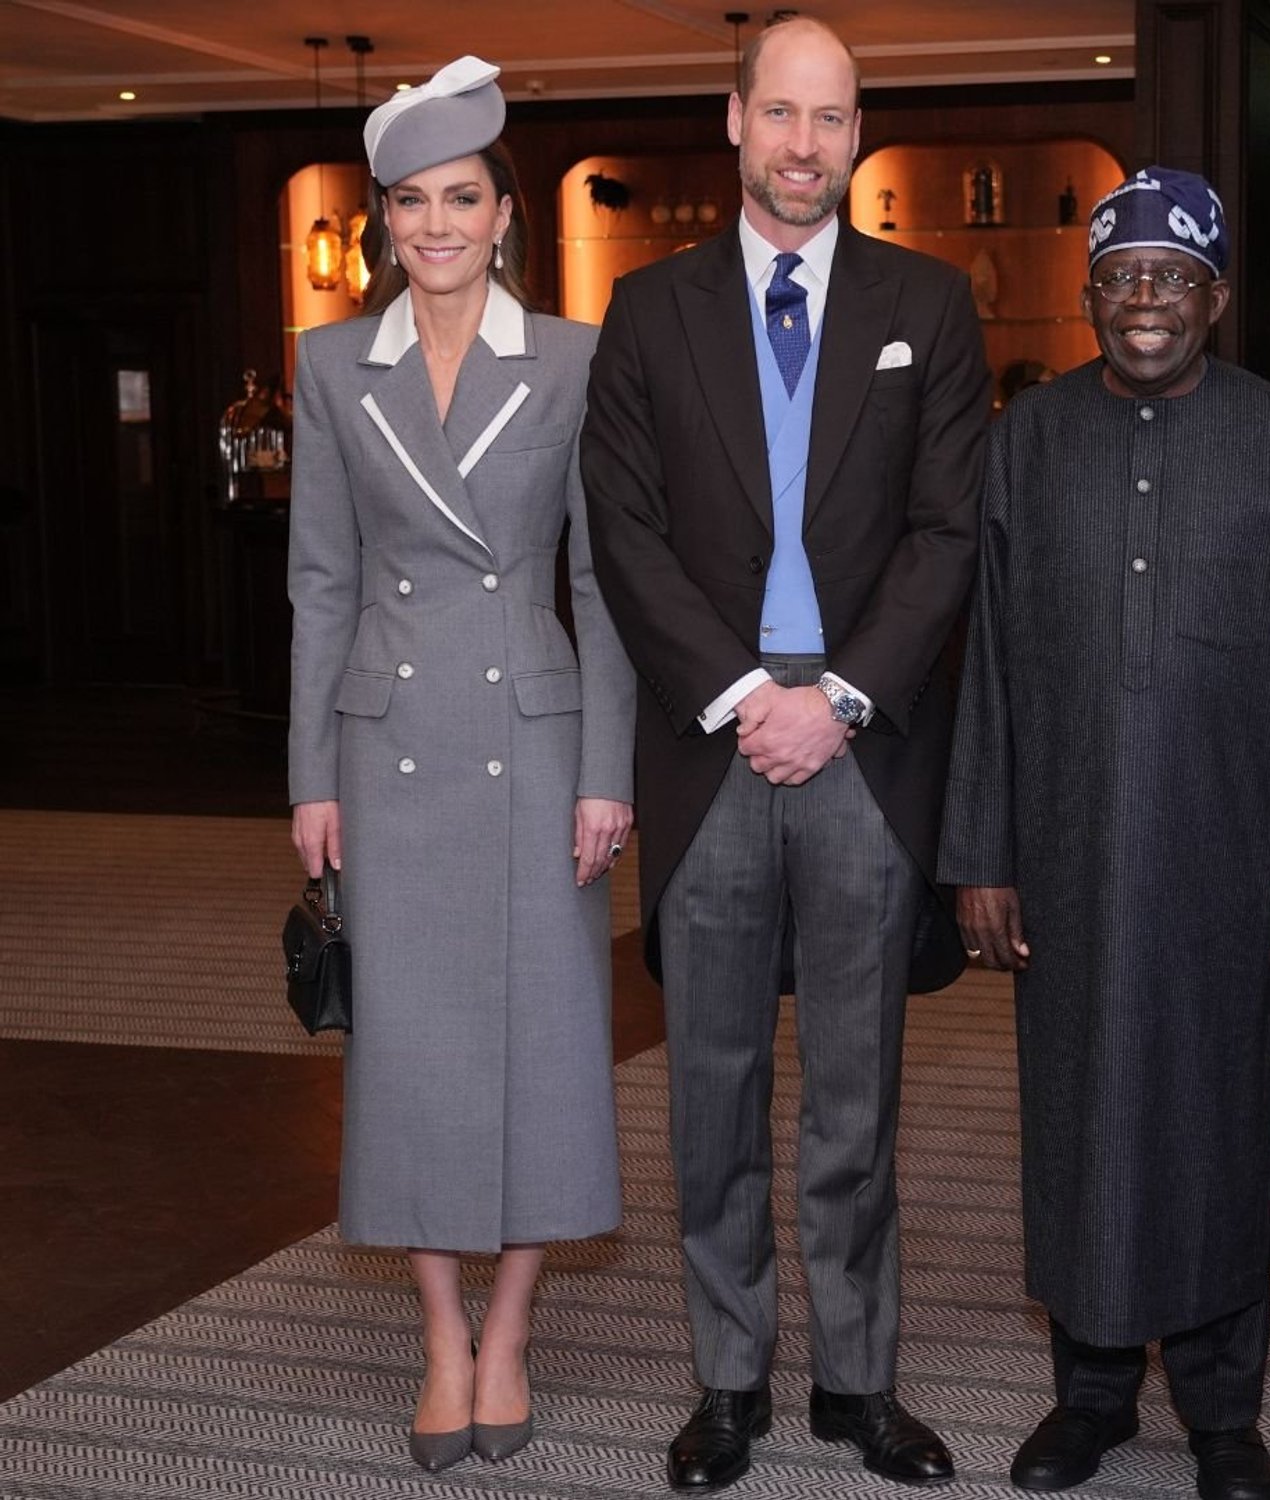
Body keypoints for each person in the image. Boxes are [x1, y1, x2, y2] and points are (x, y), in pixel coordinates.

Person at [579, 16, 989, 1493]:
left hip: (865, 749)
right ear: (736, 119)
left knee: (858, 1096)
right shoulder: (648, 309)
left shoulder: (928, 305)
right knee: (712, 1089)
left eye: (833, 118)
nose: (806, 146)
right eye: (782, 115)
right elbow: (622, 532)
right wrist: (749, 694)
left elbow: (951, 533)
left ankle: (859, 1385)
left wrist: (844, 697)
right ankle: (731, 1381)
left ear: (858, 130)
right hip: (714, 744)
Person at [940, 167, 1270, 1500]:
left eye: (1175, 279)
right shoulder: (1032, 437)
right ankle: (1093, 1397)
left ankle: (1226, 1413)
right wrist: (981, 852)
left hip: (1229, 852)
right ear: (1089, 296)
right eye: (1124, 279)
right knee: (1080, 1116)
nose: (1148, 303)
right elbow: (988, 660)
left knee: (1220, 1116)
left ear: (1215, 298)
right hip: (1062, 849)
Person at [287, 57, 635, 1475]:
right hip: (388, 745)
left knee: (547, 1054)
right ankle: (441, 1340)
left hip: (537, 739)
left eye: (463, 198)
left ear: (506, 216)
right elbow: (320, 580)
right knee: (413, 1059)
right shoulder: (331, 368)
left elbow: (605, 582)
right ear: (384, 223)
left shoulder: (572, 359)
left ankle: (510, 1332)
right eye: (411, 202)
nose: (437, 224)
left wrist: (607, 767)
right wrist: (311, 773)